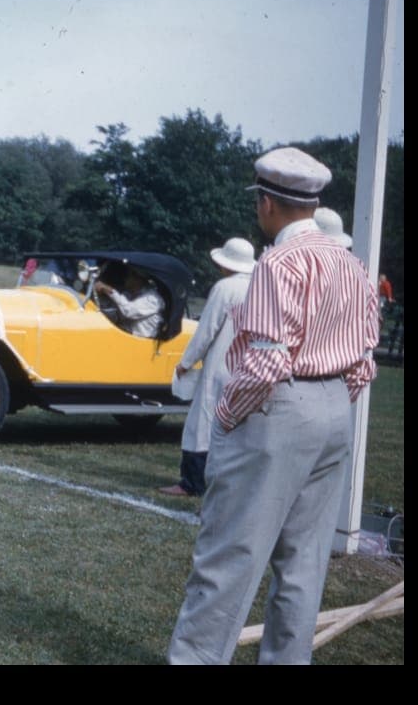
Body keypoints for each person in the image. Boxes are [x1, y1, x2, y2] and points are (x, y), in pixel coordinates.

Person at [168, 146, 380, 665]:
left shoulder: (279, 262)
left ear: (266, 203)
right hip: (334, 408)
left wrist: (225, 419)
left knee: (227, 559)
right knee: (303, 564)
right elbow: (364, 360)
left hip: (279, 405)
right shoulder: (350, 263)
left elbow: (265, 362)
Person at [160, 237, 255, 498]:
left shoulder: (225, 288)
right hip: (248, 365)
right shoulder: (260, 287)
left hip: (221, 363)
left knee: (201, 423)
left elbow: (207, 330)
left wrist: (186, 362)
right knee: (236, 425)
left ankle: (192, 480)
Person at [93, 266, 165, 338]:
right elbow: (114, 310)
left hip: (143, 341)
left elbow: (129, 311)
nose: (125, 278)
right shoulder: (128, 293)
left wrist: (110, 291)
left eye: (128, 275)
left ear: (138, 279)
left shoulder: (153, 298)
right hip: (127, 335)